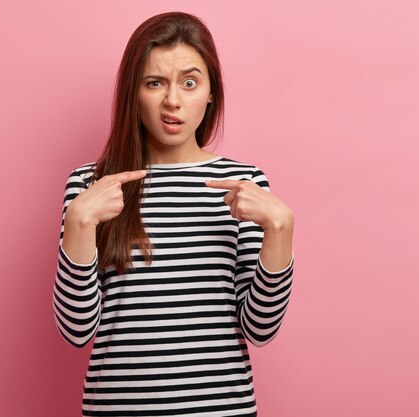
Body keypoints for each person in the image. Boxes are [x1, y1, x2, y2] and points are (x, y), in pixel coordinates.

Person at [52, 11, 295, 417]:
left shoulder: (243, 182)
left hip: (222, 410)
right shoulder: (90, 185)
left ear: (211, 92)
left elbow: (260, 328)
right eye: (155, 83)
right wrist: (79, 223)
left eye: (189, 82)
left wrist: (281, 230)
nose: (173, 101)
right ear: (135, 92)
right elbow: (76, 331)